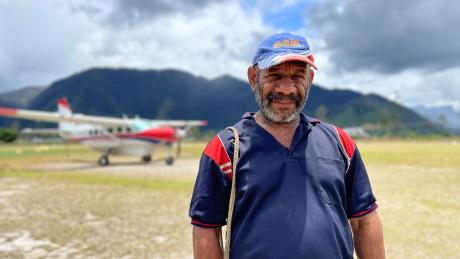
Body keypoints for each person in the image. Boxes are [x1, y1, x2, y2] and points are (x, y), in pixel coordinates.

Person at [189, 32, 385, 259]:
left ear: (309, 79)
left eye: (298, 77)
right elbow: (206, 229)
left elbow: (364, 220)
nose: (287, 89)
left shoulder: (340, 143)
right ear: (254, 78)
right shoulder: (225, 149)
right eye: (275, 75)